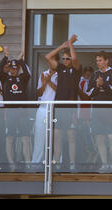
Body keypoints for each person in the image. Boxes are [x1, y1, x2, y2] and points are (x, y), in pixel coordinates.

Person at [45, 34, 81, 171]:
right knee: (57, 136)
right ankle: (56, 163)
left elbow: (76, 59)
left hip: (71, 108)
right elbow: (48, 57)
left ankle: (72, 164)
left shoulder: (77, 69)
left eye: (68, 58)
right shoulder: (60, 68)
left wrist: (71, 44)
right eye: (64, 58)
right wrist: (62, 46)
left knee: (71, 136)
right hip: (59, 107)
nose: (66, 60)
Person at [0, 46, 32, 170]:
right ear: (9, 68)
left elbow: (28, 73)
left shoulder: (23, 78)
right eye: (12, 68)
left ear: (18, 69)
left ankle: (28, 163)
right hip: (10, 112)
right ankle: (12, 164)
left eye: (16, 68)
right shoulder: (5, 78)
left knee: (26, 138)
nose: (14, 70)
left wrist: (20, 60)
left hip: (22, 111)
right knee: (10, 138)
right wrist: (5, 56)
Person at [87, 51, 112, 172]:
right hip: (97, 111)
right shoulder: (94, 74)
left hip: (110, 111)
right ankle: (105, 164)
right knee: (99, 138)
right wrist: (97, 86)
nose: (98, 63)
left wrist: (104, 84)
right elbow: (88, 93)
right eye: (97, 60)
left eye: (100, 60)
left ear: (106, 61)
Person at [32, 63, 58, 165]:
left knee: (56, 137)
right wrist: (44, 83)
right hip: (42, 108)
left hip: (56, 109)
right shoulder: (43, 73)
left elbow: (60, 91)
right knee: (39, 136)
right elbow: (39, 93)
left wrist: (49, 81)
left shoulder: (60, 74)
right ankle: (36, 163)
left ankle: (55, 163)